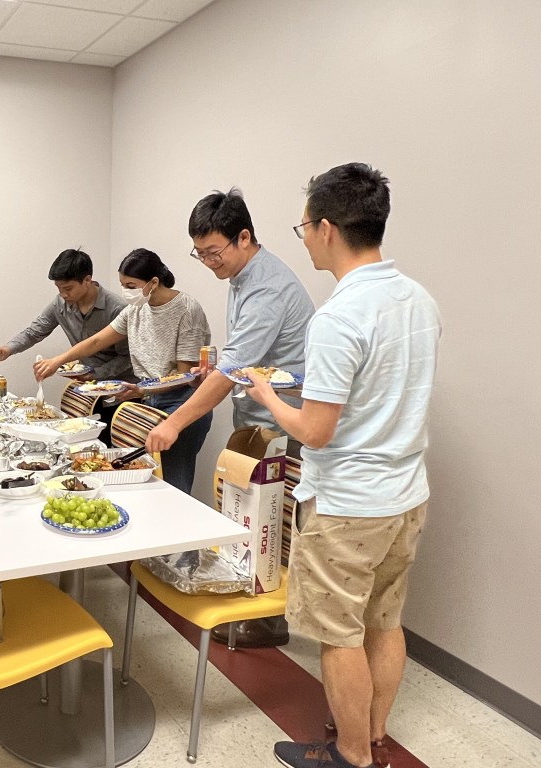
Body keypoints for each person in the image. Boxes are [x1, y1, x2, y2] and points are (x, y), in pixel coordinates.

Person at [243, 164, 441, 768]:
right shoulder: (419, 299)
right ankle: (374, 731)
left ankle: (351, 755)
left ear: (326, 228)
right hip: (406, 495)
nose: (303, 237)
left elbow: (315, 432)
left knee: (339, 635)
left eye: (303, 226)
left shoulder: (337, 317)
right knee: (384, 620)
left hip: (349, 504)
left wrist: (267, 395)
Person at [146, 188, 315, 649]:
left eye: (213, 252)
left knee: (272, 523)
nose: (207, 262)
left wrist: (175, 422)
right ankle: (258, 614)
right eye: (199, 254)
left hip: (284, 423)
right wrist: (219, 369)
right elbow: (239, 360)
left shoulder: (267, 286)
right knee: (253, 518)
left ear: (244, 237)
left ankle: (269, 620)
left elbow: (235, 366)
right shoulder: (241, 277)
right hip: (258, 417)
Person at [35, 248, 212, 494]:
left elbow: (184, 376)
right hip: (149, 401)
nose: (125, 292)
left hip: (182, 403)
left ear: (153, 282)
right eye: (122, 285)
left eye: (131, 286)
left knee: (172, 485)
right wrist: (58, 361)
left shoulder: (187, 310)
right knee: (143, 480)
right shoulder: (136, 309)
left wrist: (141, 389)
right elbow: (97, 341)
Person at [0, 248, 133, 442]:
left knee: (110, 445)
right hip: (87, 389)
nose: (63, 294)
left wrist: (96, 374)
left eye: (68, 288)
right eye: (59, 289)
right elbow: (35, 331)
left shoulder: (117, 308)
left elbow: (128, 358)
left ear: (87, 280)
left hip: (121, 392)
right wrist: (8, 349)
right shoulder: (60, 304)